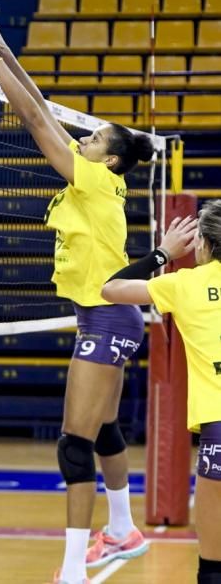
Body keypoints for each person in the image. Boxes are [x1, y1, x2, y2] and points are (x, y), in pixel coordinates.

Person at [0, 11, 154, 584]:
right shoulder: (97, 179)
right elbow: (41, 107)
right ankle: (122, 530)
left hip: (109, 318)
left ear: (109, 159)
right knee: (106, 430)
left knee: (73, 443)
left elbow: (36, 122)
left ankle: (71, 571)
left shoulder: (94, 180)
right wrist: (4, 49)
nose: (82, 139)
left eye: (92, 139)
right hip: (111, 316)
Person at [101, 204, 221, 584]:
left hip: (219, 427)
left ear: (201, 243)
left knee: (213, 565)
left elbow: (110, 289)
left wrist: (164, 253)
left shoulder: (184, 284)